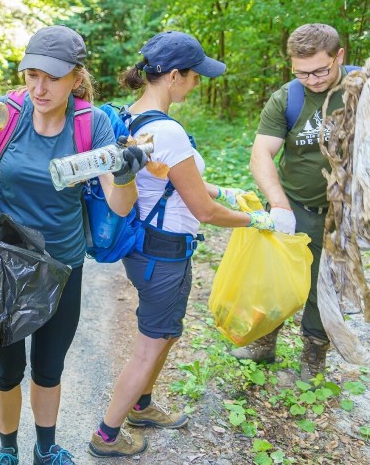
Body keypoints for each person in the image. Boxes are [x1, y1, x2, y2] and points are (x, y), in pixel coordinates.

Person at [0, 25, 146, 465]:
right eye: (32, 74)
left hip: (61, 267)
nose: (39, 87)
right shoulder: (7, 113)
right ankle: (7, 451)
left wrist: (126, 173)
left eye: (52, 77)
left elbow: (118, 203)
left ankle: (45, 448)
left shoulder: (90, 124)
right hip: (3, 263)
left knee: (48, 368)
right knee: (5, 371)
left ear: (76, 78)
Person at [87, 31, 277, 459]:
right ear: (174, 76)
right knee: (151, 344)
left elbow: (169, 177)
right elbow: (204, 212)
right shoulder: (168, 131)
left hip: (147, 250)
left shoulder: (132, 117)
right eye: (195, 76)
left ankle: (142, 406)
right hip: (164, 254)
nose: (198, 83)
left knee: (168, 332)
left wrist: (223, 190)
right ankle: (107, 434)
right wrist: (258, 219)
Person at [234, 23, 354, 381]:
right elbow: (261, 155)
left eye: (321, 70)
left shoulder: (360, 92)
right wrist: (280, 205)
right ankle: (263, 344)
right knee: (276, 279)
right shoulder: (288, 98)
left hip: (341, 216)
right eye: (302, 72)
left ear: (339, 56)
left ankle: (313, 359)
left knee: (324, 286)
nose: (313, 79)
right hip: (295, 205)